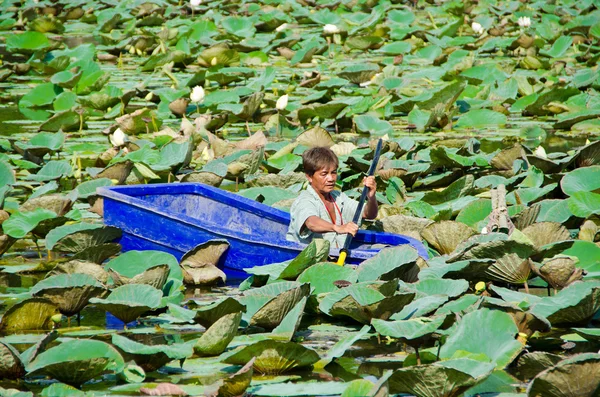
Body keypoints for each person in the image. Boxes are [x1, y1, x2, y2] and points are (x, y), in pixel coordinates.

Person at [286, 146, 378, 248]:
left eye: (333, 173)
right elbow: (311, 222)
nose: (331, 179)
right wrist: (337, 228)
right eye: (324, 174)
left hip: (338, 255)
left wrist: (371, 197)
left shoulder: (338, 197)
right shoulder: (305, 200)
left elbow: (368, 214)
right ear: (309, 176)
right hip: (311, 259)